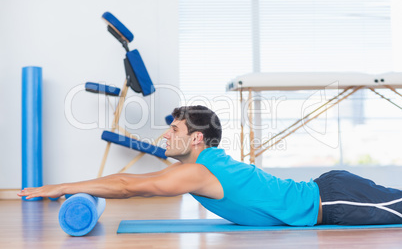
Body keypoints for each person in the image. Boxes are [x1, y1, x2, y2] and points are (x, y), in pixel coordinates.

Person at [18, 105, 402, 226]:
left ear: (196, 139)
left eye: (174, 129)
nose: (166, 135)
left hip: (331, 200)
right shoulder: (208, 163)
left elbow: (127, 184)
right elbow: (128, 182)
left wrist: (59, 186)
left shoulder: (199, 172)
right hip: (329, 192)